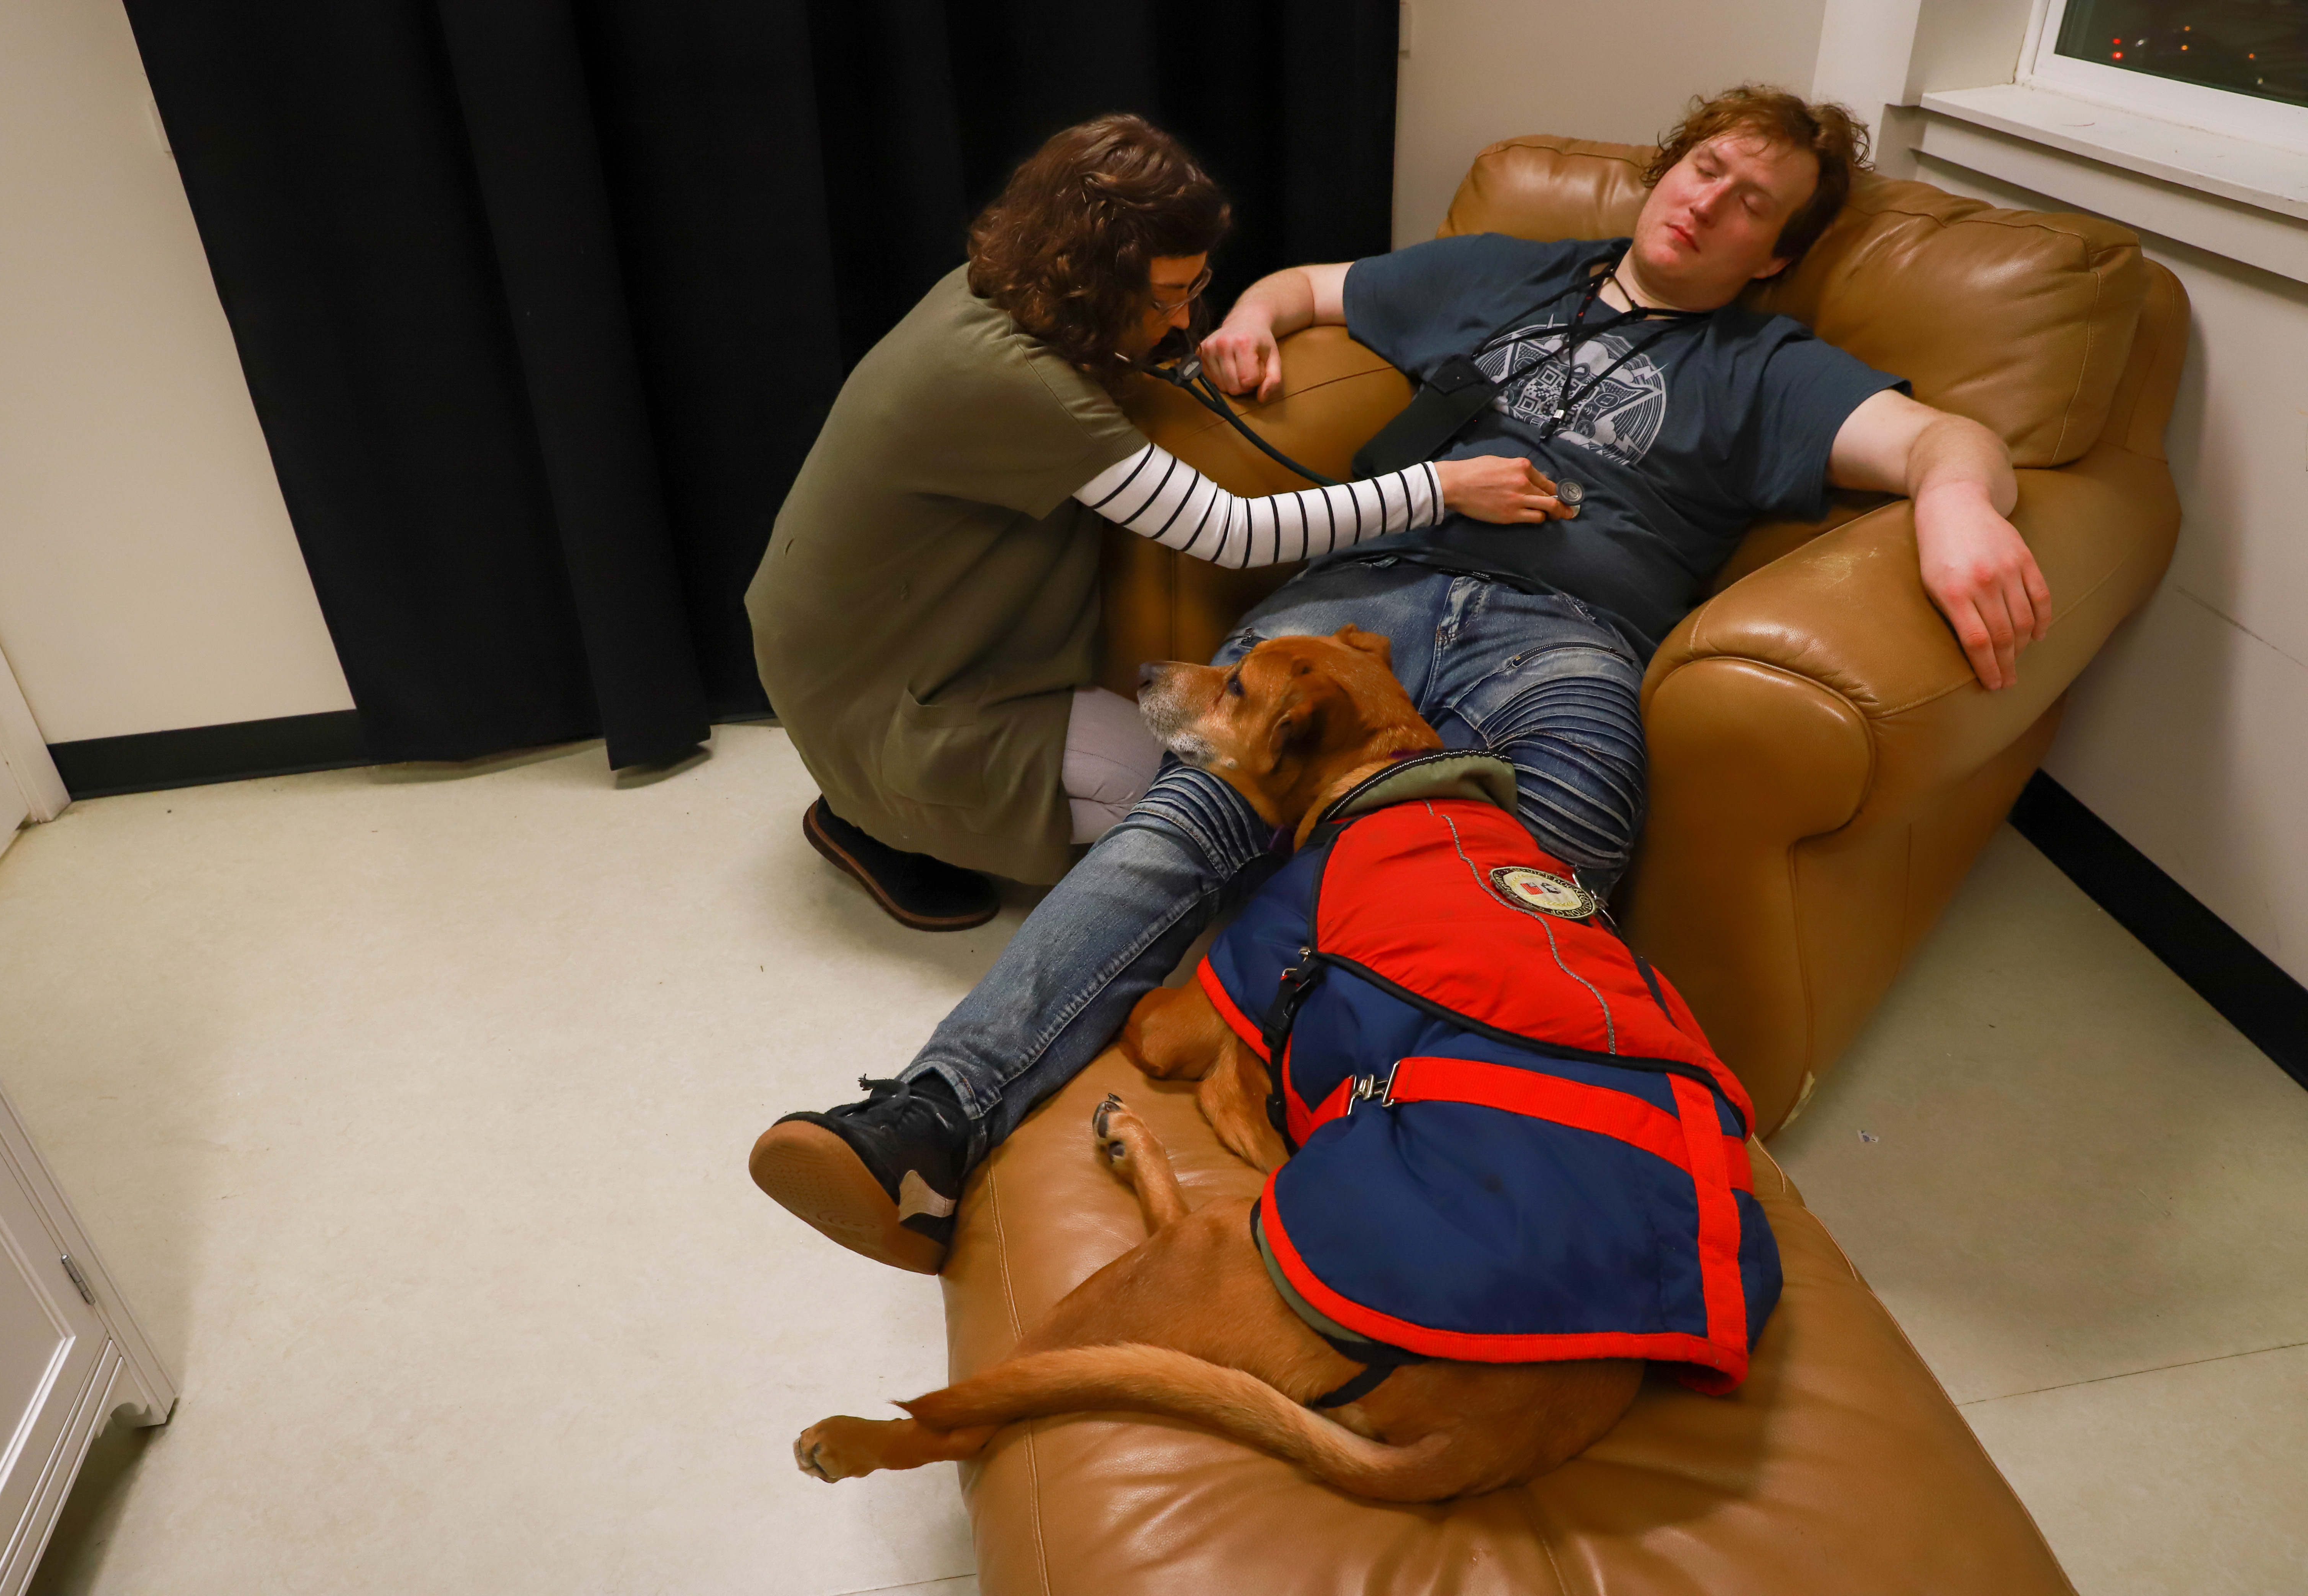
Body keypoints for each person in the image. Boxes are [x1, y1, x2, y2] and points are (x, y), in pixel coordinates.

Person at [749, 86, 2055, 1274]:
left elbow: (1950, 436)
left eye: (1750, 201)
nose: (1707, 199)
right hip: (1359, 596)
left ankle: (1472, 1170)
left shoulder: (1770, 371)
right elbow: (1315, 287)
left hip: (1569, 637)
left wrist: (1959, 509)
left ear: (1769, 253)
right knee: (1194, 809)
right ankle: (928, 1118)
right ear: (1667, 173)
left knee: (1540, 870)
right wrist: (1254, 318)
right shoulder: (1509, 274)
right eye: (1702, 167)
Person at [747, 115, 1551, 932]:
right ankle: (873, 816)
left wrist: (1241, 324)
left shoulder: (993, 288)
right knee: (1203, 793)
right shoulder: (1016, 384)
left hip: (844, 643)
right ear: (1094, 279)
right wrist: (1441, 486)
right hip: (873, 693)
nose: (1180, 322)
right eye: (1167, 298)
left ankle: (878, 794)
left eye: (1194, 291)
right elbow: (1230, 533)